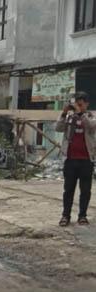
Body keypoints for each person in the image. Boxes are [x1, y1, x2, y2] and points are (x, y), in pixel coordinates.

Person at [55, 91, 96, 226]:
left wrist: (81, 114)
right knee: (68, 190)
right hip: (71, 160)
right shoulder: (69, 117)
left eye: (81, 104)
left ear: (86, 104)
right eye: (76, 104)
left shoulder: (91, 115)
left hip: (86, 160)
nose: (78, 106)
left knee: (85, 190)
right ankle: (65, 216)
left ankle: (82, 216)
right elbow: (58, 128)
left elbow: (91, 126)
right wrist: (63, 113)